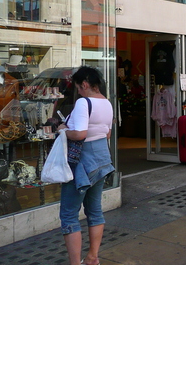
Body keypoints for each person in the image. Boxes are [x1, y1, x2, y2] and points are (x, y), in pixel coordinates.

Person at [57, 66, 115, 265]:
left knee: (68, 214)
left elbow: (80, 134)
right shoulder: (107, 103)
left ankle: (75, 265)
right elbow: (107, 133)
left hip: (83, 161)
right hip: (102, 159)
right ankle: (92, 258)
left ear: (84, 84)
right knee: (95, 211)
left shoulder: (83, 102)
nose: (78, 92)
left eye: (78, 88)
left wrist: (63, 130)